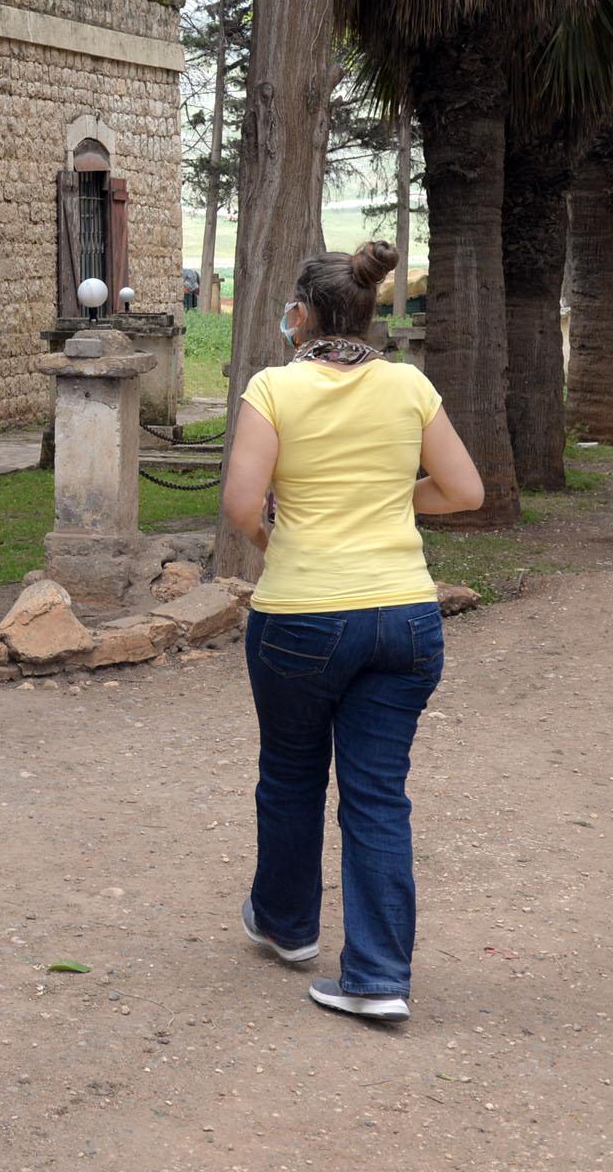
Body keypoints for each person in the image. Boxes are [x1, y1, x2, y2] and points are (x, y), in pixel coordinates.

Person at [221, 240, 485, 1022]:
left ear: (299, 313)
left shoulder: (275, 387)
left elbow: (242, 505)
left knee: (293, 773)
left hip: (302, 615)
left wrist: (280, 543)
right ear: (370, 311)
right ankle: (377, 978)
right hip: (404, 618)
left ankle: (289, 925)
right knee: (377, 795)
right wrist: (393, 504)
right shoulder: (408, 385)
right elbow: (465, 490)